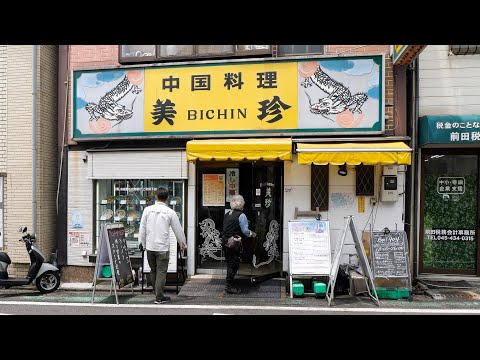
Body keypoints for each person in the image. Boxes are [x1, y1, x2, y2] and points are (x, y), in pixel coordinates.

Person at [139, 187, 187, 304]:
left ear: (156, 197)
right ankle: (159, 297)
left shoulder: (147, 210)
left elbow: (142, 228)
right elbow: (178, 230)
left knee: (153, 270)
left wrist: (141, 242)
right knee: (161, 272)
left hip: (150, 246)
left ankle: (157, 293)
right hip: (162, 247)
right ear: (167, 198)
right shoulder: (170, 212)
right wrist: (183, 243)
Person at [222, 194, 256, 294]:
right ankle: (228, 286)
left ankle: (230, 283)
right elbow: (245, 231)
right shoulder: (242, 215)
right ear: (241, 205)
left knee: (230, 263)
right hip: (234, 243)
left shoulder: (227, 214)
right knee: (233, 264)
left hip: (225, 241)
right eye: (243, 204)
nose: (244, 206)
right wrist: (252, 234)